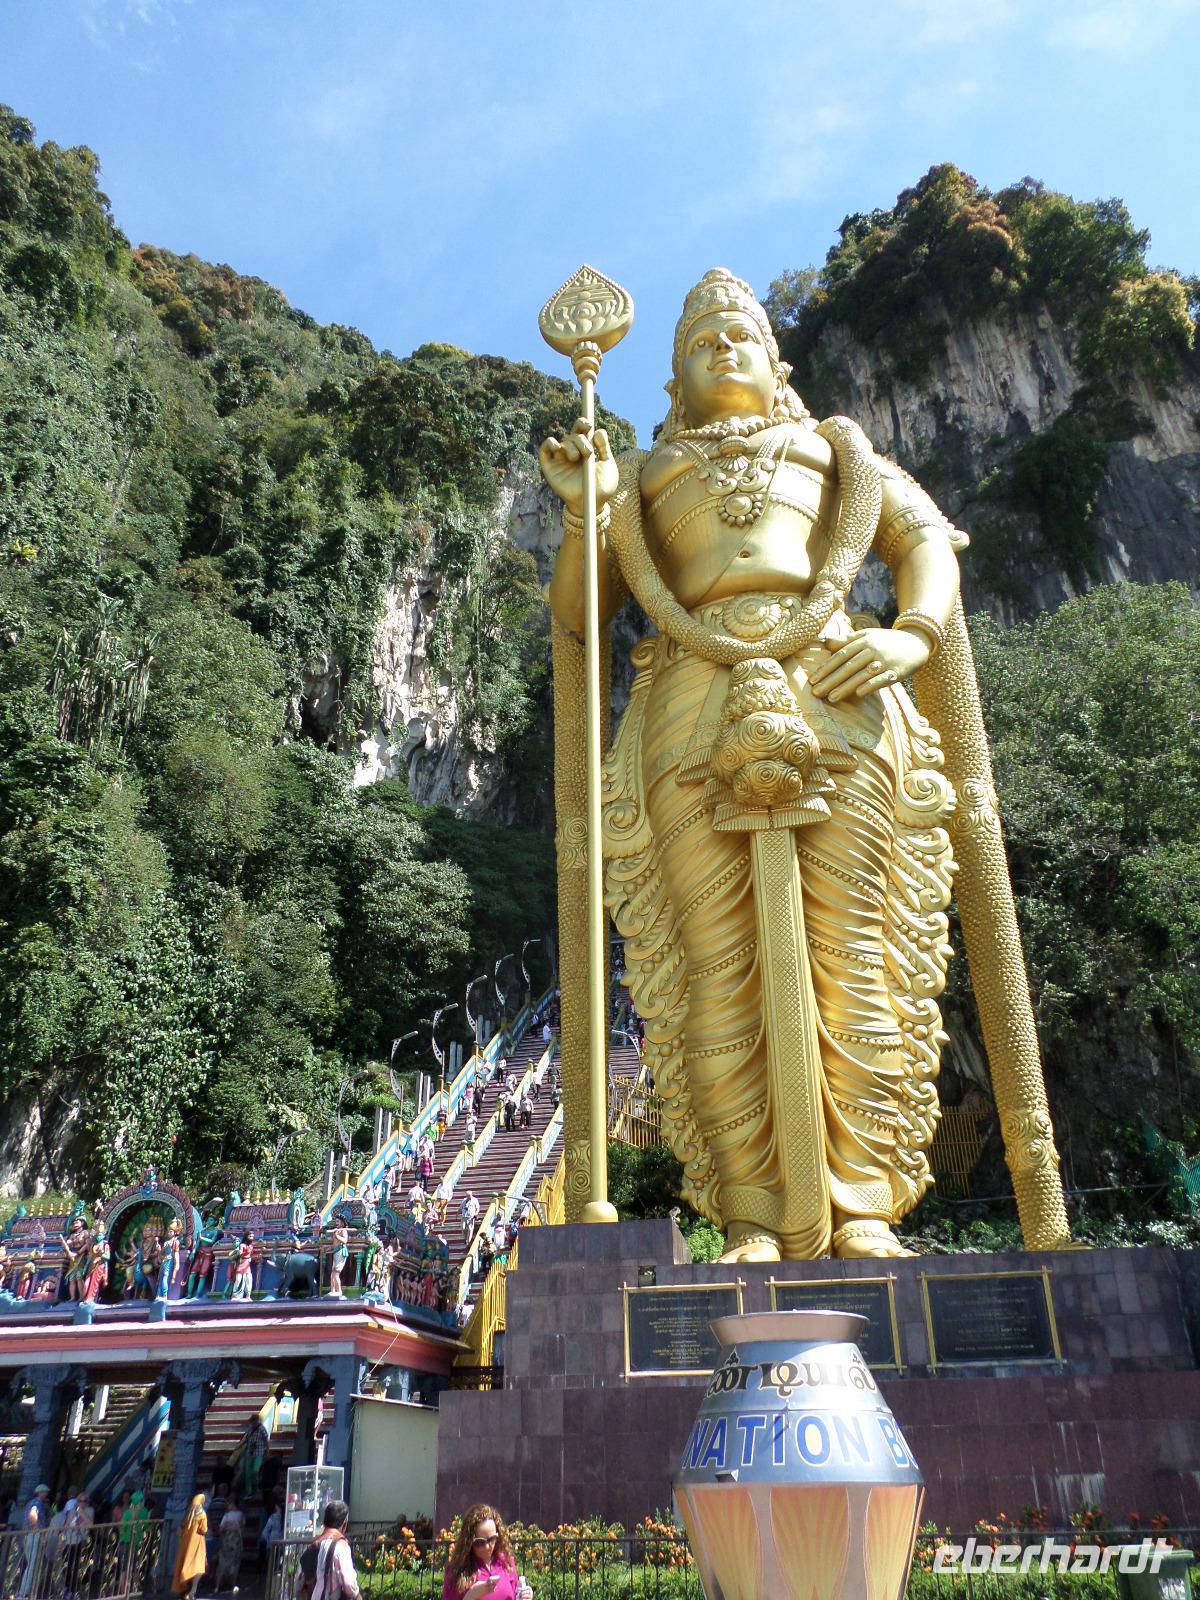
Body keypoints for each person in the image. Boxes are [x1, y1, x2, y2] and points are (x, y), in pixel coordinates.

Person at [541, 267, 972, 1262]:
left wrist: (912, 633)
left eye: (742, 335)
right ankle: (749, 1214)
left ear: (777, 364)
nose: (725, 348)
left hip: (836, 679)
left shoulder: (835, 451)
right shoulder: (644, 476)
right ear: (677, 383)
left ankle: (862, 1203)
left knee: (853, 952)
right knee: (714, 962)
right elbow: (581, 615)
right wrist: (581, 509)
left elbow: (924, 544)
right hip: (689, 700)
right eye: (703, 343)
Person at [442, 1504, 531, 1600]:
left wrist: (524, 1596)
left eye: (492, 1539)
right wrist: (470, 1596)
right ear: (469, 1542)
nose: (488, 1547)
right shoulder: (456, 1571)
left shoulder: (506, 1562)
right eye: (480, 1542)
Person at [297, 1500, 359, 1600]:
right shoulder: (341, 1547)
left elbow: (299, 1581)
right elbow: (349, 1584)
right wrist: (358, 1596)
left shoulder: (312, 1547)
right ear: (344, 1524)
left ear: (325, 1522)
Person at [16, 1484, 49, 1598]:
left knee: (31, 1564)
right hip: (33, 1536)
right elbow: (33, 1514)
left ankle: (22, 1592)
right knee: (32, 1565)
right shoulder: (37, 1503)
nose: (46, 1494)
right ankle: (24, 1593)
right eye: (45, 1492)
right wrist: (37, 1530)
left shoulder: (30, 1502)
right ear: (41, 1493)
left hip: (27, 1536)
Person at [172, 1493, 207, 1599]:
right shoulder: (202, 1514)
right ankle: (192, 1591)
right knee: (198, 1567)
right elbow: (204, 1529)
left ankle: (183, 1589)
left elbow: (180, 1530)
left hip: (185, 1545)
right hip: (197, 1544)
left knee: (184, 1565)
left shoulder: (187, 1514)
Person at [213, 1493, 245, 1593]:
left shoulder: (226, 1515)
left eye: (228, 1503)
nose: (227, 1505)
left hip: (226, 1542)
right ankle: (232, 1585)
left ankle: (217, 1586)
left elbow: (221, 1529)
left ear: (232, 1504)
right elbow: (243, 1528)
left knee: (222, 1563)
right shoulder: (241, 1515)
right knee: (234, 1563)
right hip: (236, 1542)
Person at [236, 1412, 269, 1498]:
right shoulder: (250, 1428)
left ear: (257, 1421)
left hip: (259, 1453)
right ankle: (249, 1491)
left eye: (253, 1421)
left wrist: (267, 1452)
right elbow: (246, 1439)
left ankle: (256, 1487)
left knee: (255, 1471)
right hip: (250, 1453)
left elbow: (266, 1441)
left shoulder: (262, 1429)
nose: (252, 1423)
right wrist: (239, 1445)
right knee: (248, 1473)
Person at [229, 1232, 255, 1300]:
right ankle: (234, 1296)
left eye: (252, 1236)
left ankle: (248, 1296)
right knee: (238, 1280)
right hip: (241, 1264)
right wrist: (242, 1252)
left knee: (249, 1280)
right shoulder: (242, 1245)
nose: (252, 1238)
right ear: (246, 1237)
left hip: (247, 1266)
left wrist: (256, 1257)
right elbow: (240, 1254)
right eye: (250, 1236)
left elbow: (251, 1256)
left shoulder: (251, 1246)